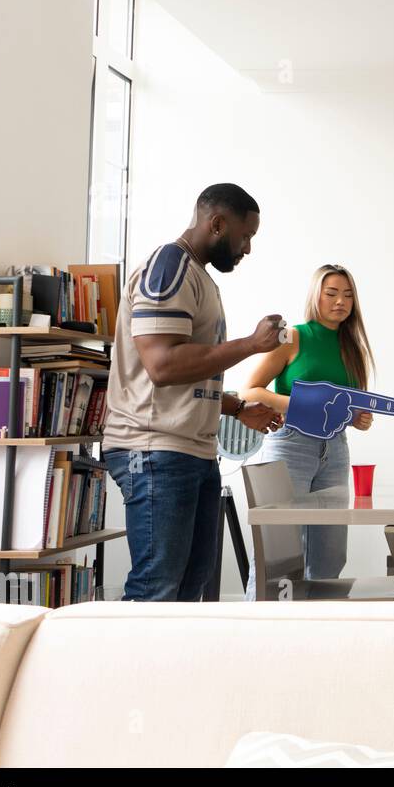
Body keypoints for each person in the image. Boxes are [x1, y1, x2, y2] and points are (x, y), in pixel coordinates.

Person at [103, 183, 284, 602]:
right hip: (154, 450)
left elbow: (183, 379)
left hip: (189, 453)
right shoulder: (170, 267)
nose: (248, 249)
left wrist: (237, 408)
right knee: (157, 588)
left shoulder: (197, 277)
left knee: (189, 591)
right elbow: (163, 366)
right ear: (217, 224)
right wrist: (250, 345)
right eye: (245, 236)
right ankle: (124, 669)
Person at [240, 264, 377, 598]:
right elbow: (249, 391)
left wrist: (359, 419)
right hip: (290, 447)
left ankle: (317, 634)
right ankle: (255, 633)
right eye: (331, 293)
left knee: (330, 555)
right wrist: (298, 406)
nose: (340, 301)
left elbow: (349, 407)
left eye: (347, 295)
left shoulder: (354, 348)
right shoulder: (294, 337)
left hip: (334, 450)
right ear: (316, 295)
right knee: (277, 558)